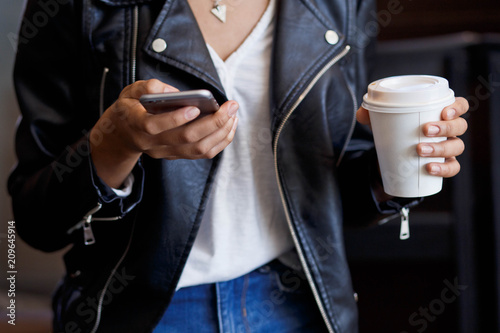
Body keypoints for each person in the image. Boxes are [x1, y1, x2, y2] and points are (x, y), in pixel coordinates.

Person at [8, 0, 468, 332]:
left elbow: (331, 185)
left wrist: (398, 170)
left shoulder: (340, 5)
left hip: (298, 305)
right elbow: (36, 220)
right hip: (145, 313)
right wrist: (116, 146)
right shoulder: (84, 6)